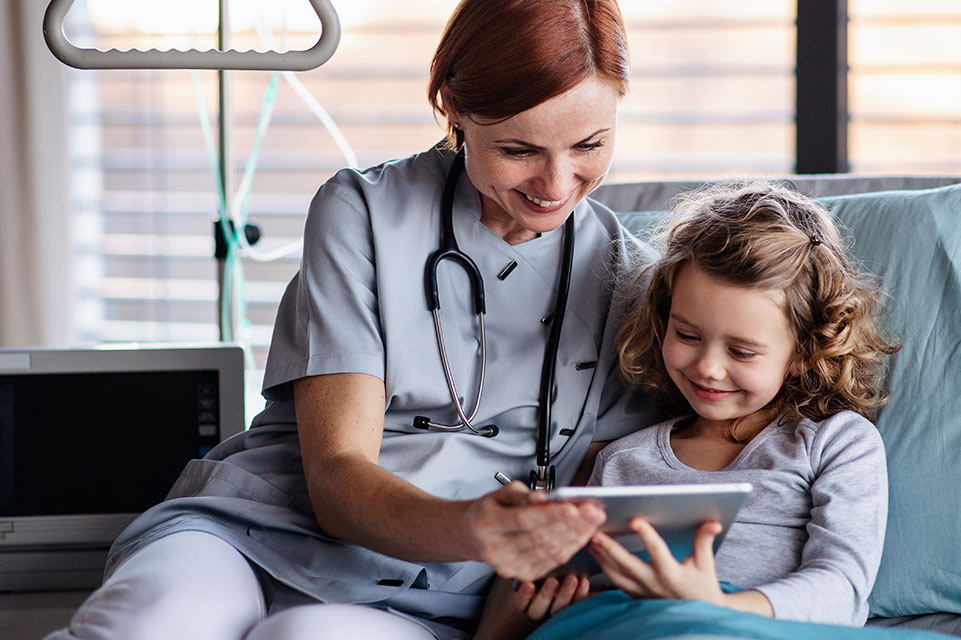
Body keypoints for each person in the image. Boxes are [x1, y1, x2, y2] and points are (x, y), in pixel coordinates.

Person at [45, 1, 658, 639]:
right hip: (262, 529)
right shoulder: (362, 212)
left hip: (439, 592)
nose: (556, 182)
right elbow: (337, 478)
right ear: (453, 107)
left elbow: (595, 501)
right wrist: (476, 526)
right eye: (518, 149)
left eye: (590, 144)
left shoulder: (634, 282)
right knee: (146, 629)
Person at [523, 182, 902, 639]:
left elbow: (843, 589)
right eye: (686, 335)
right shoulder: (621, 460)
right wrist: (556, 601)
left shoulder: (835, 442)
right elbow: (578, 574)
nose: (707, 367)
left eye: (742, 352)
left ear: (804, 351)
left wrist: (716, 607)